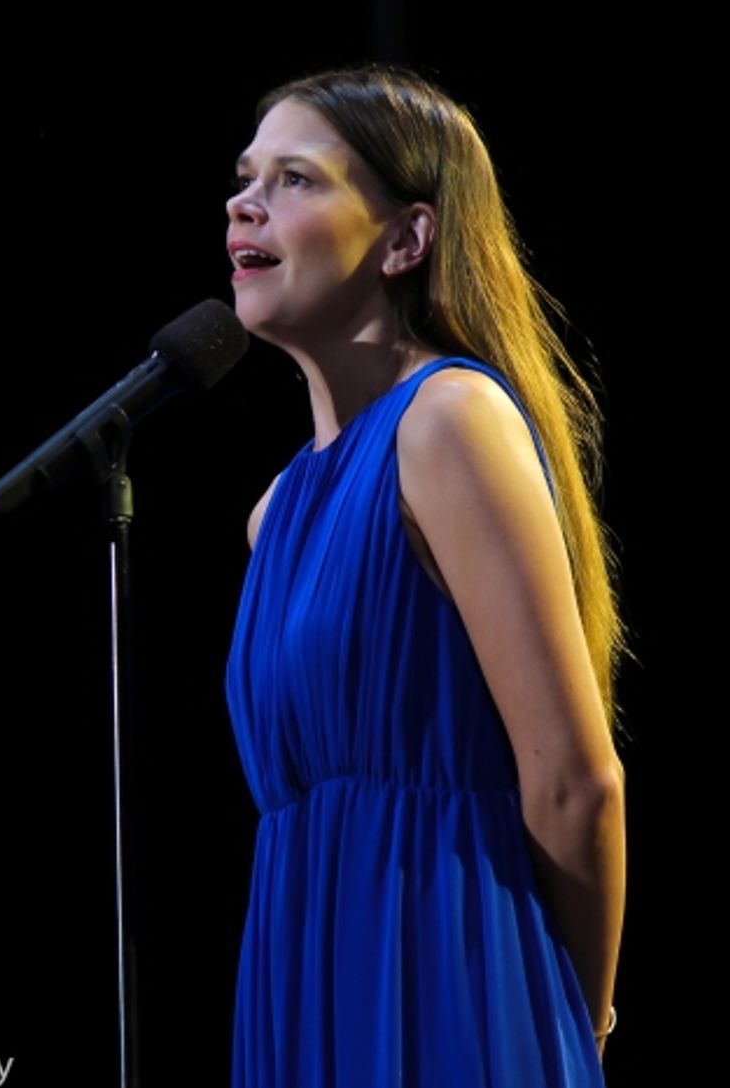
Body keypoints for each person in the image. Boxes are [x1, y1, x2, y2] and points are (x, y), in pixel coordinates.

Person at [222, 64, 627, 1086]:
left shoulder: (448, 419)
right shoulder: (272, 515)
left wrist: (563, 1028)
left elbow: (574, 784)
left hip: (460, 983)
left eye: (297, 178)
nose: (243, 201)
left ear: (405, 239)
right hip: (301, 986)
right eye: (243, 177)